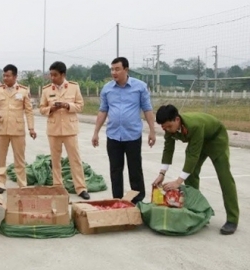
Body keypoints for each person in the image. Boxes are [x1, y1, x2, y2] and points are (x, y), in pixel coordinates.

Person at [153, 104, 239, 235]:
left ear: (177, 119)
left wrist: (178, 181)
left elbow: (192, 156)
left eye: (169, 126)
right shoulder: (168, 128)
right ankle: (197, 212)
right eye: (164, 127)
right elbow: (168, 149)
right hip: (198, 140)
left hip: (215, 139)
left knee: (225, 177)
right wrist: (162, 173)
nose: (168, 130)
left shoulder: (194, 126)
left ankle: (232, 219)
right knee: (191, 175)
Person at [91, 57, 156, 204]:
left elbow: (147, 109)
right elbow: (103, 111)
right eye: (112, 69)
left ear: (126, 70)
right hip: (113, 136)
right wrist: (96, 132)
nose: (114, 72)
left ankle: (137, 201)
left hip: (132, 136)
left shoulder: (140, 87)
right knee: (115, 170)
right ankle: (118, 200)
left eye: (117, 69)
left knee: (135, 170)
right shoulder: (107, 89)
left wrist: (152, 131)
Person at [39, 61, 90, 200]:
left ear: (63, 74)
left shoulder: (73, 87)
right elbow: (41, 109)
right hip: (54, 129)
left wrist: (68, 105)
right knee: (55, 160)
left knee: (75, 160)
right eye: (51, 75)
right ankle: (58, 187)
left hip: (70, 129)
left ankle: (80, 188)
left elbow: (80, 106)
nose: (52, 78)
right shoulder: (47, 89)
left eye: (55, 75)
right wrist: (51, 109)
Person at [0, 64, 36, 193]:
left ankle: (22, 185)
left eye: (8, 75)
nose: (5, 78)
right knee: (0, 159)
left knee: (19, 160)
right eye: (4, 75)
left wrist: (31, 128)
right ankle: (0, 184)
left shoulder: (23, 91)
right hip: (2, 129)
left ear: (15, 76)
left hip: (18, 130)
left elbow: (29, 111)